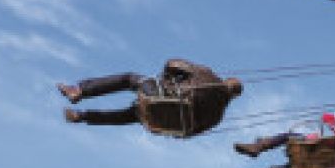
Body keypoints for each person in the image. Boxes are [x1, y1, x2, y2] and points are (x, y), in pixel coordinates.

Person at [59, 59, 243, 136]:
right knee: (129, 116)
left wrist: (165, 79)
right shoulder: (217, 117)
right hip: (165, 123)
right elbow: (191, 133)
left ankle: (80, 90)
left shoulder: (208, 77)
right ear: (233, 98)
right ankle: (80, 117)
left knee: (129, 79)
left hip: (163, 99)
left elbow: (173, 63)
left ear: (226, 81)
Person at [234, 113, 335, 168]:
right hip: (309, 165)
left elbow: (327, 117)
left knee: (288, 137)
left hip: (307, 150)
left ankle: (258, 147)